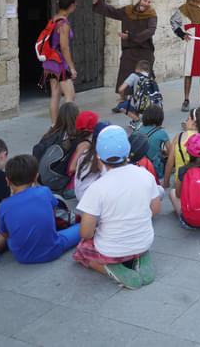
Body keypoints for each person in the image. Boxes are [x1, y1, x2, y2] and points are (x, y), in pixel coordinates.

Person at [0, 154, 81, 268]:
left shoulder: (3, 206)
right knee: (81, 227)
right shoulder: (44, 192)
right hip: (52, 250)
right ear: (35, 177)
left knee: (6, 234)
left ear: (7, 181)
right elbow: (52, 217)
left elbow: (5, 234)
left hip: (21, 256)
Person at [74, 125, 161, 289]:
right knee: (135, 244)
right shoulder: (145, 175)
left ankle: (109, 268)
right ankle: (139, 256)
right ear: (128, 152)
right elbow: (155, 210)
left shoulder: (97, 188)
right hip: (144, 241)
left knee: (81, 250)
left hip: (110, 249)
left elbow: (85, 232)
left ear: (98, 156)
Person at [92, 0, 157, 111]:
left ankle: (149, 103)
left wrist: (131, 37)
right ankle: (122, 102)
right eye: (144, 0)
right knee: (124, 75)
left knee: (145, 78)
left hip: (144, 51)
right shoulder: (128, 11)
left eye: (148, 2)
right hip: (129, 50)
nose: (146, 4)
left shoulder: (151, 15)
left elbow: (151, 31)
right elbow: (114, 12)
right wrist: (99, 4)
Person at [41, 0, 78, 125]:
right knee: (70, 96)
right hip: (60, 63)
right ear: (72, 5)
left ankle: (54, 126)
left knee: (55, 95)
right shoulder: (64, 24)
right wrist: (72, 67)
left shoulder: (53, 19)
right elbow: (64, 48)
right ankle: (68, 128)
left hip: (49, 63)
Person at [162, 107, 200, 188]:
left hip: (182, 181)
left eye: (188, 119)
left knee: (173, 195)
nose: (186, 122)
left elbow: (170, 163)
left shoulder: (180, 137)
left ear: (194, 122)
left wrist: (166, 182)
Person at [74, 121, 111, 202]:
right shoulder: (100, 157)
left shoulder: (87, 152)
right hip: (89, 199)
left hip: (80, 195)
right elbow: (110, 179)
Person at [116, 59, 153, 130]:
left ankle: (137, 120)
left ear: (137, 69)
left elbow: (120, 89)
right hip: (150, 106)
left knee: (121, 106)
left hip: (138, 105)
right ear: (148, 70)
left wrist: (123, 98)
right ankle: (135, 121)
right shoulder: (150, 77)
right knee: (136, 102)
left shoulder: (134, 75)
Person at [138, 105, 170, 180]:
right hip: (154, 170)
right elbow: (171, 152)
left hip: (140, 168)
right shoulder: (162, 132)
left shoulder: (138, 131)